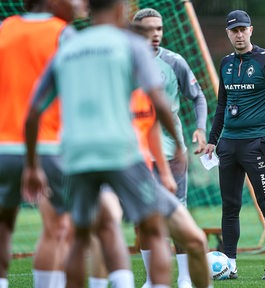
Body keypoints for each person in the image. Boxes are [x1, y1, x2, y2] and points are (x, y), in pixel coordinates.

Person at [21, 0, 185, 287]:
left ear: (88, 9)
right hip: (119, 150)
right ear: (121, 11)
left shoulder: (68, 47)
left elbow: (33, 112)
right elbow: (158, 101)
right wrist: (180, 148)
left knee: (81, 236)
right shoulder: (131, 44)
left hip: (76, 155)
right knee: (153, 228)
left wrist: (33, 163)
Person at [0, 0, 86, 287]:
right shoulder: (63, 34)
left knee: (2, 227)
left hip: (3, 148)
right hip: (48, 146)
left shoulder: (4, 28)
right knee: (58, 228)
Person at [204, 9, 265, 280]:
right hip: (229, 144)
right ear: (228, 33)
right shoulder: (226, 63)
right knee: (230, 207)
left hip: (258, 144)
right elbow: (221, 105)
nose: (239, 34)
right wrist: (211, 140)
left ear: (251, 30)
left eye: (243, 29)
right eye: (234, 30)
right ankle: (230, 265)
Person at [132, 8, 208, 288]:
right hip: (137, 153)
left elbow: (198, 97)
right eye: (148, 29)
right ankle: (152, 280)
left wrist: (199, 129)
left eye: (159, 29)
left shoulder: (174, 61)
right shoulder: (124, 62)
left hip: (173, 153)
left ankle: (186, 279)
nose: (156, 35)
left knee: (178, 214)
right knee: (142, 219)